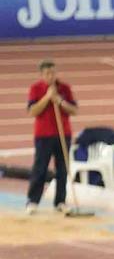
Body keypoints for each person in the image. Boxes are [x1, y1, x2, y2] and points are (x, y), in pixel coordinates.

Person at [26, 59, 77, 215]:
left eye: (53, 72)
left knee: (62, 170)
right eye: (47, 73)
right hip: (43, 135)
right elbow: (32, 111)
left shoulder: (65, 88)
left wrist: (60, 101)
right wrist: (47, 98)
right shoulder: (35, 89)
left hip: (63, 134)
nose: (51, 76)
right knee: (40, 169)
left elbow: (73, 110)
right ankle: (33, 201)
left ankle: (60, 202)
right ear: (42, 75)